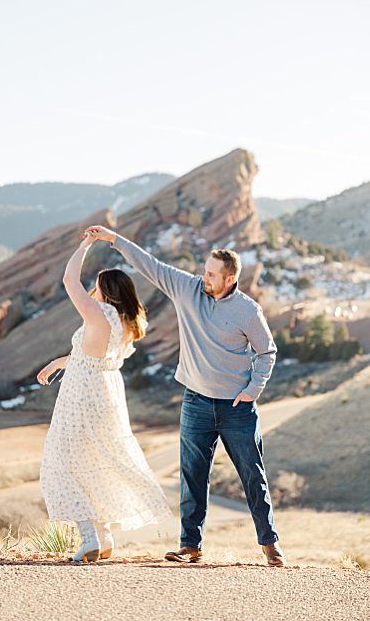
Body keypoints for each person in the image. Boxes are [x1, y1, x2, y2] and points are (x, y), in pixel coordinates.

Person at [86, 224, 285, 567]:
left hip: (237, 408)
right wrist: (115, 241)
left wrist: (252, 391)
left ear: (229, 279)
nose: (203, 277)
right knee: (192, 477)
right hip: (195, 402)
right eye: (204, 271)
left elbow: (267, 352)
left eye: (211, 274)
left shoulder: (248, 311)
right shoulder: (187, 289)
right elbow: (151, 265)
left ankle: (270, 545)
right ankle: (190, 546)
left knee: (253, 476)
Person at [38, 230, 172, 562]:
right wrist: (59, 361)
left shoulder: (98, 315)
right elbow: (94, 355)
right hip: (105, 393)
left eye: (96, 286)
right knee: (95, 463)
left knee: (64, 462)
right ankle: (105, 538)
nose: (91, 291)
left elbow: (69, 280)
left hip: (81, 394)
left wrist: (85, 245)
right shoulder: (127, 323)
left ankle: (88, 539)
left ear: (105, 290)